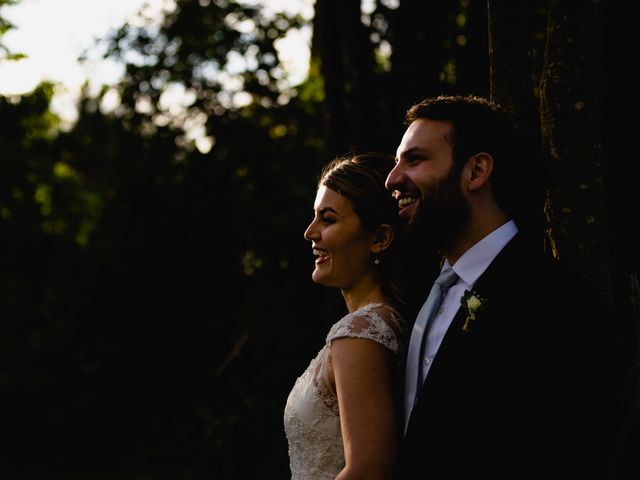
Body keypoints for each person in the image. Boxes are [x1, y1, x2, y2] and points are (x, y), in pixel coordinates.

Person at [385, 95, 625, 478]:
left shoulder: (557, 301)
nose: (393, 178)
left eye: (415, 160)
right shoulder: (420, 295)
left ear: (476, 171)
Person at [284, 153, 409, 480]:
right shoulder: (387, 322)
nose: (310, 232)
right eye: (314, 217)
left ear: (379, 239)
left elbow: (367, 470)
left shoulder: (360, 335)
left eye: (328, 219)